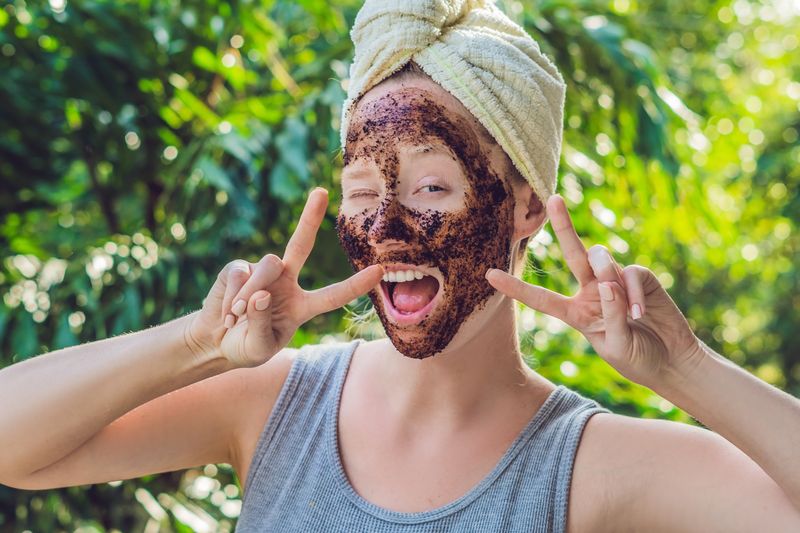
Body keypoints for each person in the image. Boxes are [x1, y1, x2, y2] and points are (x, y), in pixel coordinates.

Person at [1, 0, 799, 531]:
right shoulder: (273, 406)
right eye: (361, 189)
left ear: (525, 208)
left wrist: (686, 367)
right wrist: (200, 343)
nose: (386, 227)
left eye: (430, 186)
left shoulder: (591, 464)